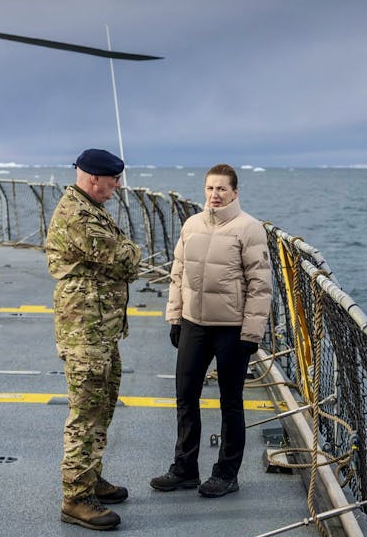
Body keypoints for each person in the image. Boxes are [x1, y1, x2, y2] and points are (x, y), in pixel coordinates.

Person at [150, 163, 272, 498]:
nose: (214, 195)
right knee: (186, 395)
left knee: (230, 401)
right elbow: (178, 274)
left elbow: (260, 286)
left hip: (231, 329)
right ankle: (185, 468)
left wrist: (251, 332)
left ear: (235, 192)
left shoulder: (249, 229)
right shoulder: (191, 224)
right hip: (193, 324)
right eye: (209, 188)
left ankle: (226, 474)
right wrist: (174, 317)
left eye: (221, 189)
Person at [45, 148, 141, 530]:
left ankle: (91, 478)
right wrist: (132, 252)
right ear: (93, 178)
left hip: (100, 330)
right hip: (85, 331)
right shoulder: (78, 215)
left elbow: (118, 256)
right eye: (113, 179)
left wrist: (126, 253)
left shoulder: (91, 208)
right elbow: (123, 258)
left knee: (102, 406)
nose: (117, 186)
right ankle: (75, 498)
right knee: (85, 414)